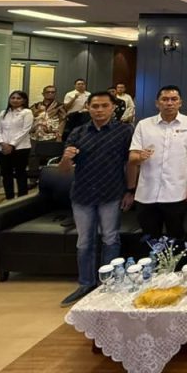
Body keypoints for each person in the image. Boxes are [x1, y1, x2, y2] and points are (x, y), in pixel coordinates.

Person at [58, 91, 135, 306]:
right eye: (95, 106)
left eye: (104, 106)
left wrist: (130, 190)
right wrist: (66, 158)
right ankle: (85, 283)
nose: (99, 110)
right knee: (84, 241)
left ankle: (108, 284)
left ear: (113, 108)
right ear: (88, 108)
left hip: (111, 193)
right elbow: (64, 169)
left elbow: (131, 163)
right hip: (82, 195)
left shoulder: (124, 131)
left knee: (110, 238)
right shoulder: (78, 132)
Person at [129, 86, 187, 242]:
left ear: (180, 103)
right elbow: (132, 157)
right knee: (150, 241)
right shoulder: (144, 125)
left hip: (176, 192)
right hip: (147, 193)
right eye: (165, 99)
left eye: (174, 99)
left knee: (176, 239)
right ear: (157, 103)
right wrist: (140, 157)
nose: (169, 103)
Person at [0, 89, 33, 199]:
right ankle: (9, 198)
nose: (15, 100)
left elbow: (25, 131)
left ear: (24, 100)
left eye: (18, 98)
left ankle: (22, 199)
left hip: (20, 148)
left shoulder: (27, 112)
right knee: (6, 174)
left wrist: (11, 145)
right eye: (13, 98)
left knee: (20, 173)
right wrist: (2, 143)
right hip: (2, 148)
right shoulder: (3, 113)